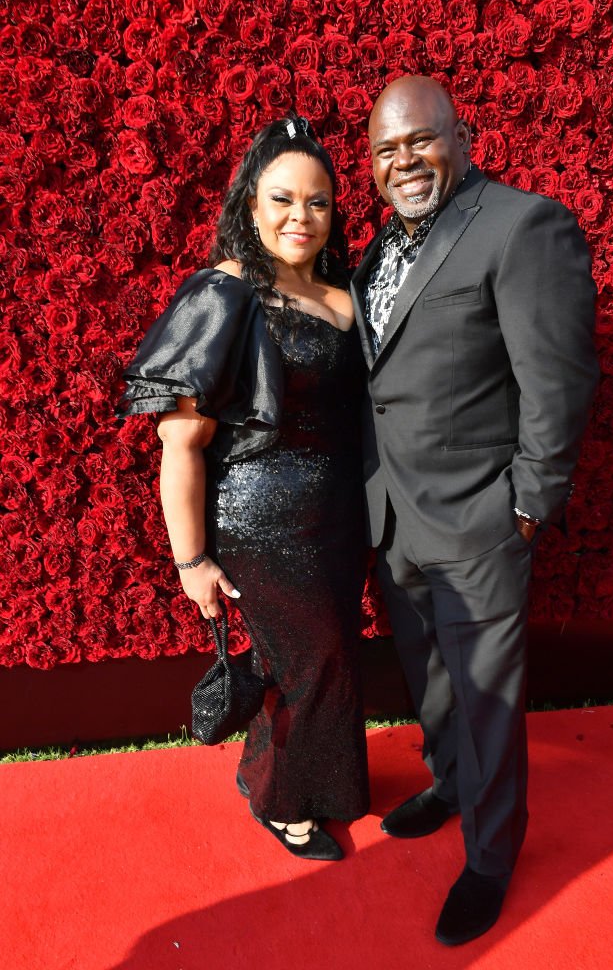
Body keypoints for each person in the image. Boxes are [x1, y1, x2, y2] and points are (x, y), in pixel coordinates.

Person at [349, 77, 599, 943]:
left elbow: (555, 378)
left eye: (419, 142)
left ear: (461, 137)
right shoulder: (379, 249)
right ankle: (452, 787)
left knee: (488, 696)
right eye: (385, 150)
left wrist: (528, 504)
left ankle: (491, 858)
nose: (403, 162)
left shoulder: (520, 225)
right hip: (396, 514)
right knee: (434, 681)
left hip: (480, 520)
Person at [117, 117, 370, 861]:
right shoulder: (225, 293)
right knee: (310, 661)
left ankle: (280, 773)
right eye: (283, 199)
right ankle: (284, 802)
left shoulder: (339, 290)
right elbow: (182, 441)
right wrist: (191, 561)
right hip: (263, 521)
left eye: (318, 202)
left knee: (319, 658)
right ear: (250, 206)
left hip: (339, 516)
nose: (301, 217)